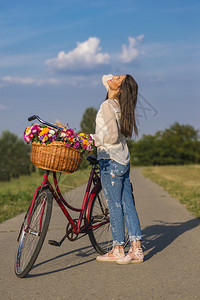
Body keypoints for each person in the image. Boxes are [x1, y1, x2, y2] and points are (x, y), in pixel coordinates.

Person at [91, 74, 144, 264]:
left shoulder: (107, 106)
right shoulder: (122, 106)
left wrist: (92, 139)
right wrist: (115, 84)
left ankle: (118, 249)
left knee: (114, 205)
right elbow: (105, 78)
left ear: (120, 90)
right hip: (123, 159)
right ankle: (136, 250)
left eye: (118, 78)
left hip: (110, 159)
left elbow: (111, 136)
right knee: (128, 204)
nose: (113, 76)